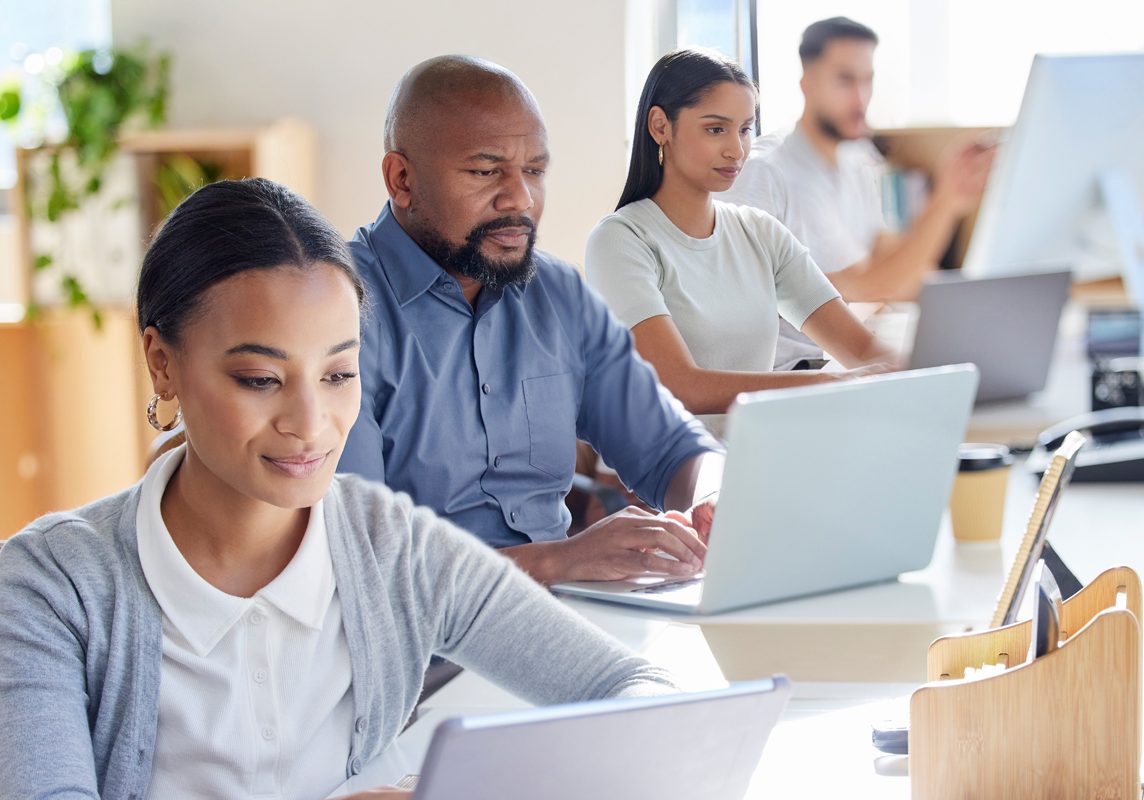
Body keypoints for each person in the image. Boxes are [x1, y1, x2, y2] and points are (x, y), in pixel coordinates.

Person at [0, 179, 677, 799]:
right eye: (260, 380)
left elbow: (641, 690)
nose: (310, 424)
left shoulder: (392, 545)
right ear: (161, 363)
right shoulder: (49, 587)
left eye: (338, 376)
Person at [338, 56, 723, 585]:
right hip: (423, 630)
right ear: (401, 179)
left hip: (565, 610)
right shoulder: (333, 309)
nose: (520, 198)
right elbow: (357, 557)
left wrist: (714, 495)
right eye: (485, 171)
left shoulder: (558, 293)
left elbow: (670, 447)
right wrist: (560, 560)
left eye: (535, 171)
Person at [584, 49, 895, 433]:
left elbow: (862, 349)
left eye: (745, 129)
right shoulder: (620, 240)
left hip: (752, 453)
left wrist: (933, 370)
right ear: (660, 126)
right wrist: (826, 384)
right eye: (716, 129)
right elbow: (678, 385)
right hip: (665, 466)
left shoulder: (761, 232)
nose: (736, 149)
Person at [719, 17, 995, 368]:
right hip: (792, 371)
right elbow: (868, 284)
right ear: (807, 83)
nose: (861, 97)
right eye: (846, 80)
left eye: (868, 80)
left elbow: (889, 258)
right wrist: (945, 200)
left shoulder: (858, 159)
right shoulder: (767, 171)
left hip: (841, 359)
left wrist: (976, 303)